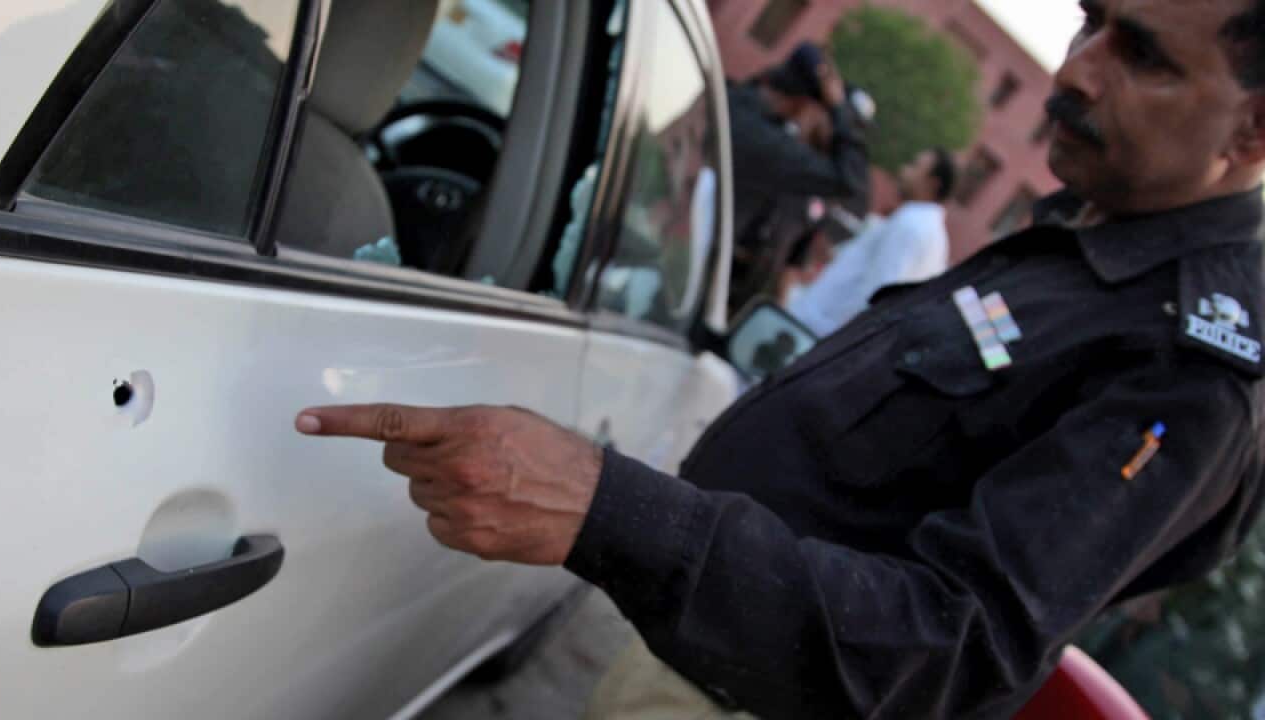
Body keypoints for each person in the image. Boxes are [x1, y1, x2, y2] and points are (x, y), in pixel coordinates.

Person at [294, 0, 1265, 717]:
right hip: (696, 667)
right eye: (1088, 22)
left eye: (1139, 55)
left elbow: (945, 645)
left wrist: (605, 509)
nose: (1076, 72)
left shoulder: (1190, 361)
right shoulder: (1078, 238)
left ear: (1252, 129)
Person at [727, 42, 872, 312]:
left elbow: (792, 264)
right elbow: (850, 178)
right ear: (807, 104)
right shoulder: (774, 148)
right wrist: (838, 107)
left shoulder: (738, 105)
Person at [785, 148, 957, 337]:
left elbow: (877, 293)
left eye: (915, 166)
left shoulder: (912, 224)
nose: (904, 170)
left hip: (818, 331)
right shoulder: (935, 235)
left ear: (931, 184)